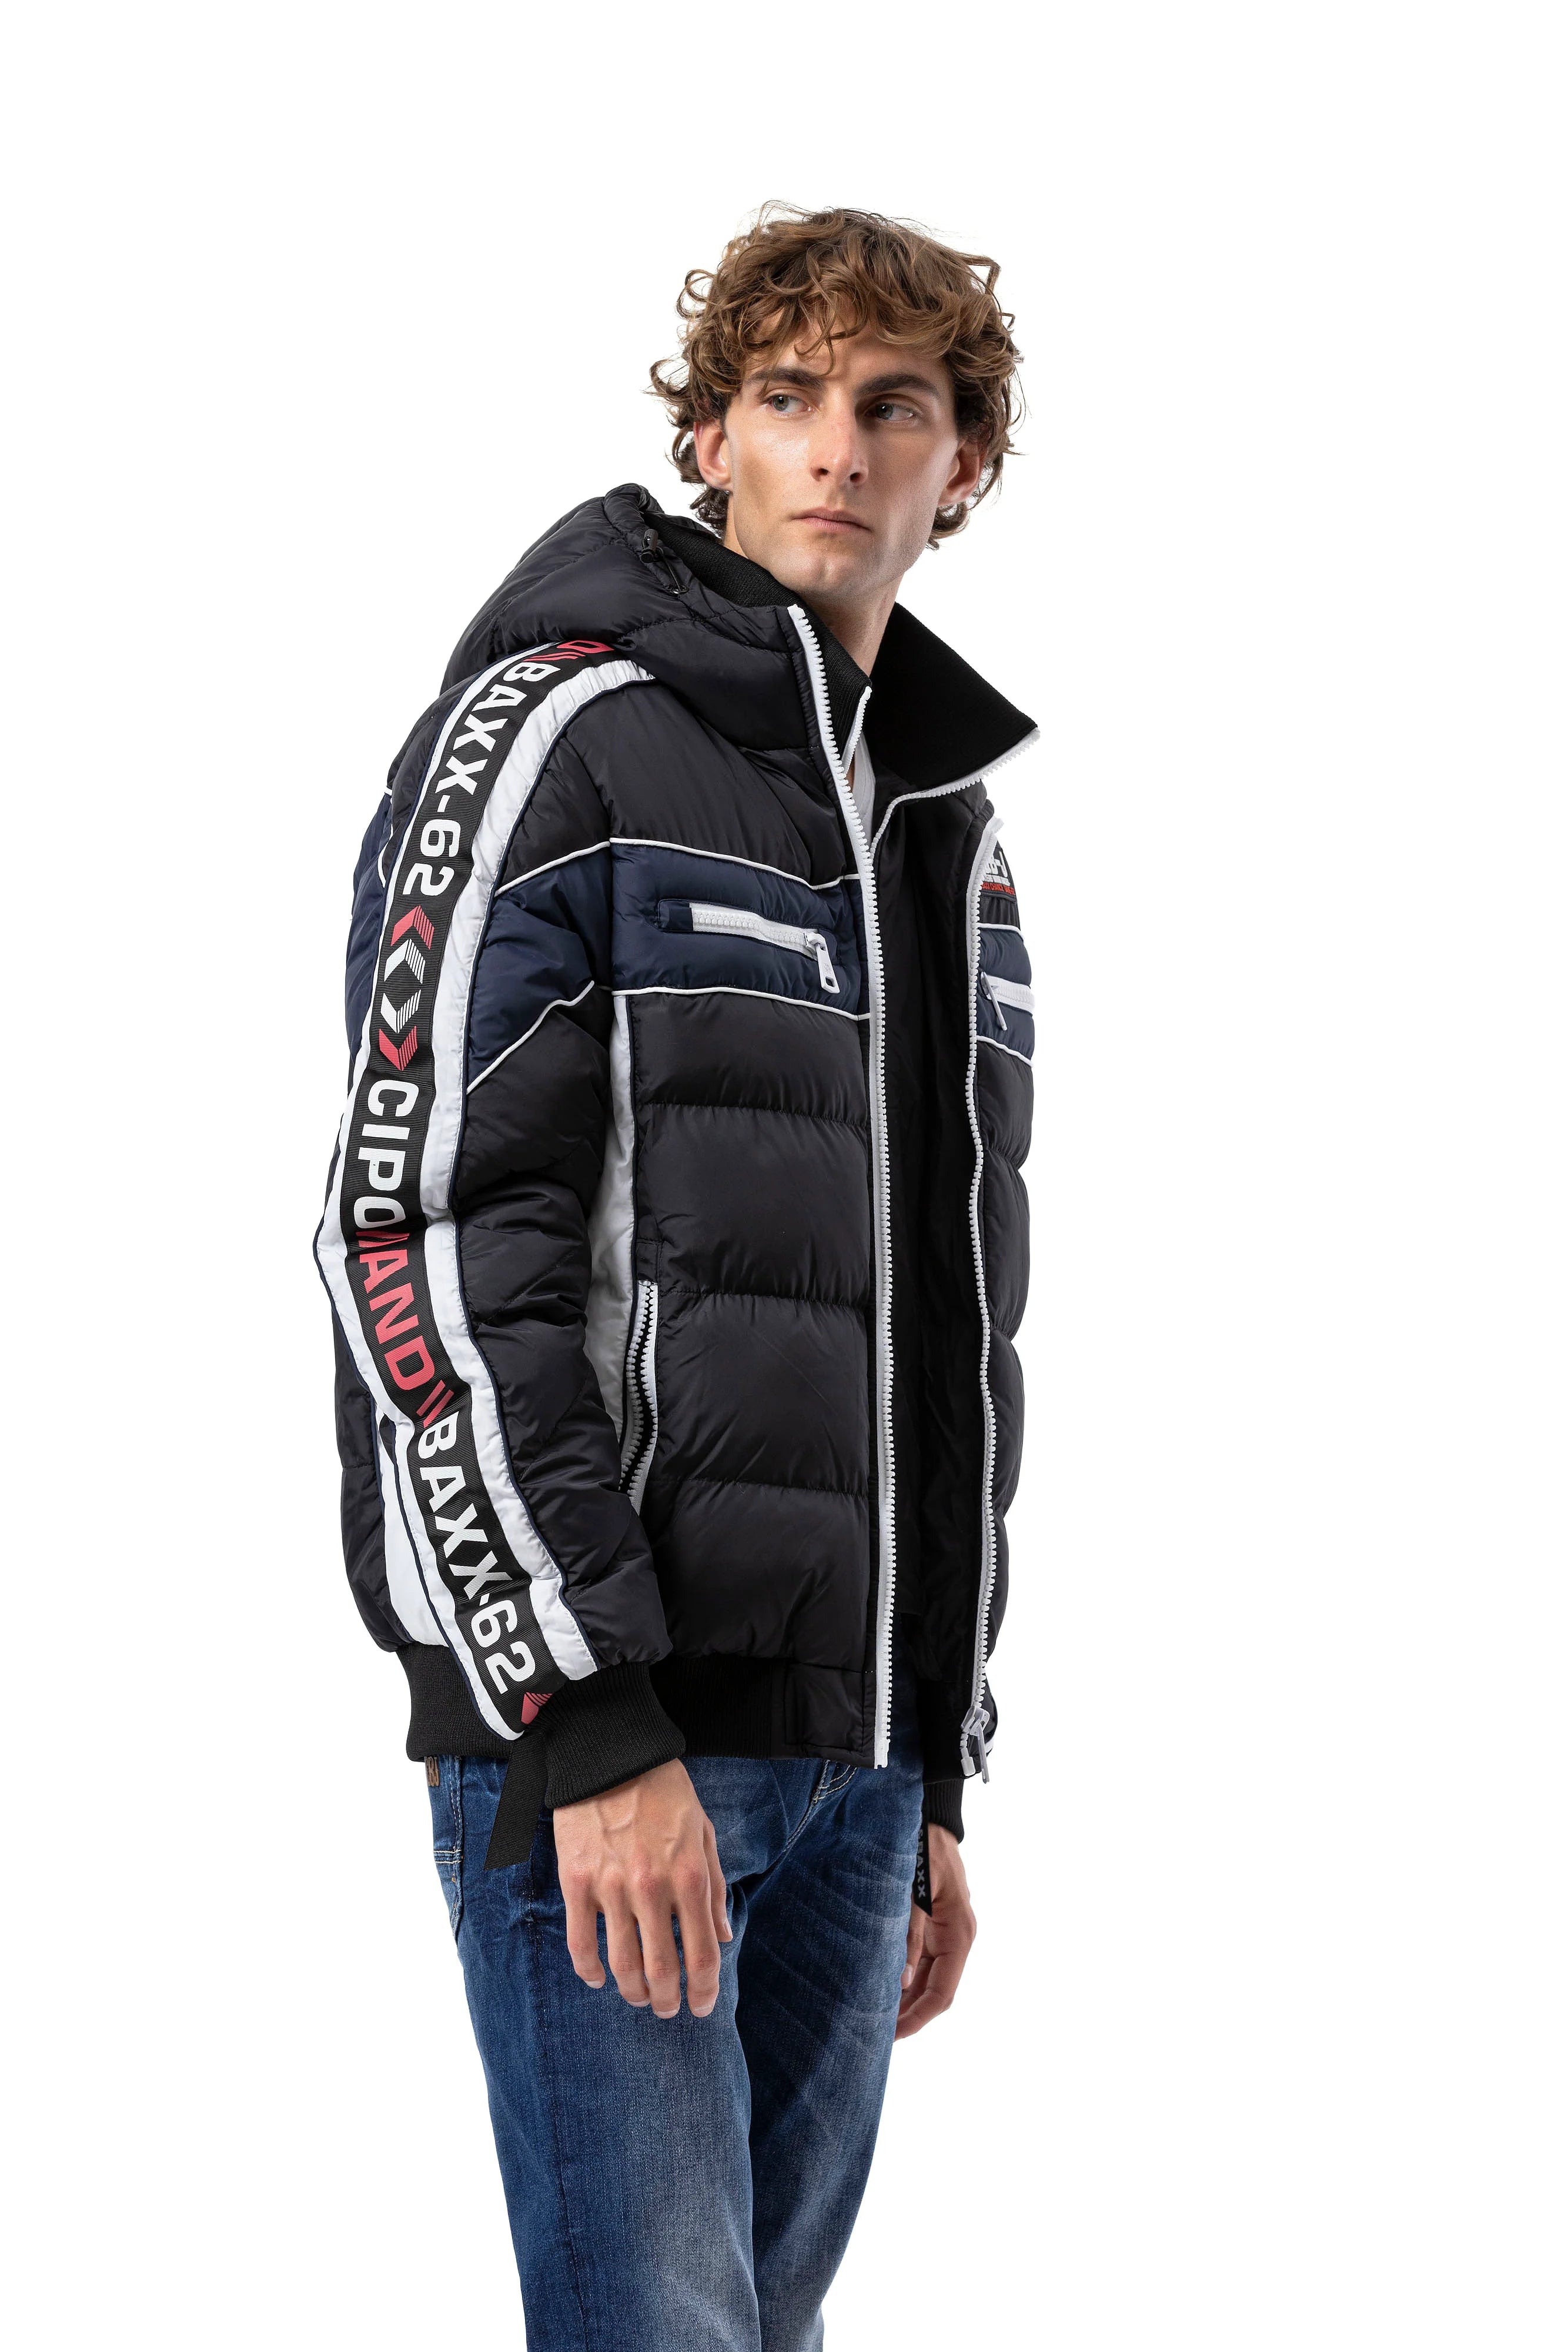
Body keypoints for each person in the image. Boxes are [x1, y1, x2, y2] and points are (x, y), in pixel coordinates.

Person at [315, 203, 1037, 2348]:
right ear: (709, 435)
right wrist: (580, 1713)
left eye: (890, 405)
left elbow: (942, 1323)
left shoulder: (942, 833)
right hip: (612, 1738)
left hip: (851, 1767)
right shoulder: (561, 734)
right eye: (785, 396)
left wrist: (923, 1765)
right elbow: (420, 1228)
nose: (835, 446)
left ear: (963, 465)